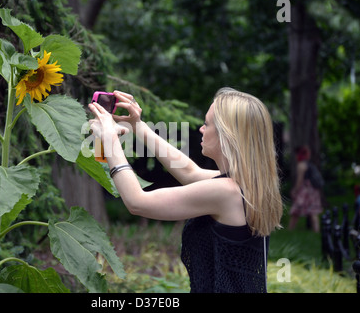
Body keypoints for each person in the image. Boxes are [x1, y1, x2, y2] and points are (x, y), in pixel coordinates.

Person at [88, 87, 283, 293]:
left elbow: (137, 202)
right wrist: (139, 126)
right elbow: (190, 172)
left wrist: (110, 140)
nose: (201, 129)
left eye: (207, 124)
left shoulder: (226, 192)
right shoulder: (248, 185)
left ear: (228, 135)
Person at [288, 145, 323, 232]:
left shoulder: (301, 165)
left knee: (296, 210)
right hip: (313, 191)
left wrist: (295, 190)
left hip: (305, 190)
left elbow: (299, 181)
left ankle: (290, 229)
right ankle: (316, 231)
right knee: (313, 211)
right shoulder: (309, 165)